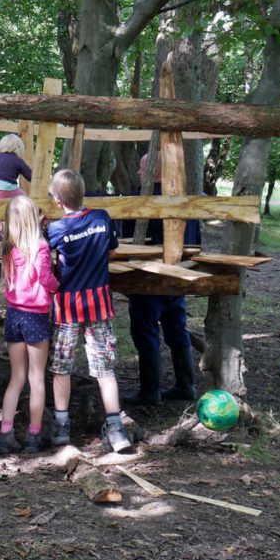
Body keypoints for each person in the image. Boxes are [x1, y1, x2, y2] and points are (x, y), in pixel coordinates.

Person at [46, 169, 133, 454]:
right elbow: (111, 252)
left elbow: (49, 260)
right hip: (99, 304)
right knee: (104, 369)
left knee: (62, 368)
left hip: (68, 307)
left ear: (58, 200)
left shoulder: (57, 229)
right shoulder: (101, 218)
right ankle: (116, 428)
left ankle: (61, 427)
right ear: (83, 193)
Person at [121, 154, 201, 406]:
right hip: (178, 275)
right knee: (177, 328)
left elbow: (127, 240)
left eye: (142, 168)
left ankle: (150, 390)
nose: (137, 173)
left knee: (146, 331)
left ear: (156, 172)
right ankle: (185, 384)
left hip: (148, 278)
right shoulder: (186, 201)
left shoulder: (142, 202)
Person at [0, 194, 59, 454]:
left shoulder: (8, 247)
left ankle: (6, 433)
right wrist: (59, 288)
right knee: (36, 378)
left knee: (17, 377)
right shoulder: (41, 247)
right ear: (33, 219)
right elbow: (45, 276)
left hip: (14, 315)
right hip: (35, 315)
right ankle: (34, 434)